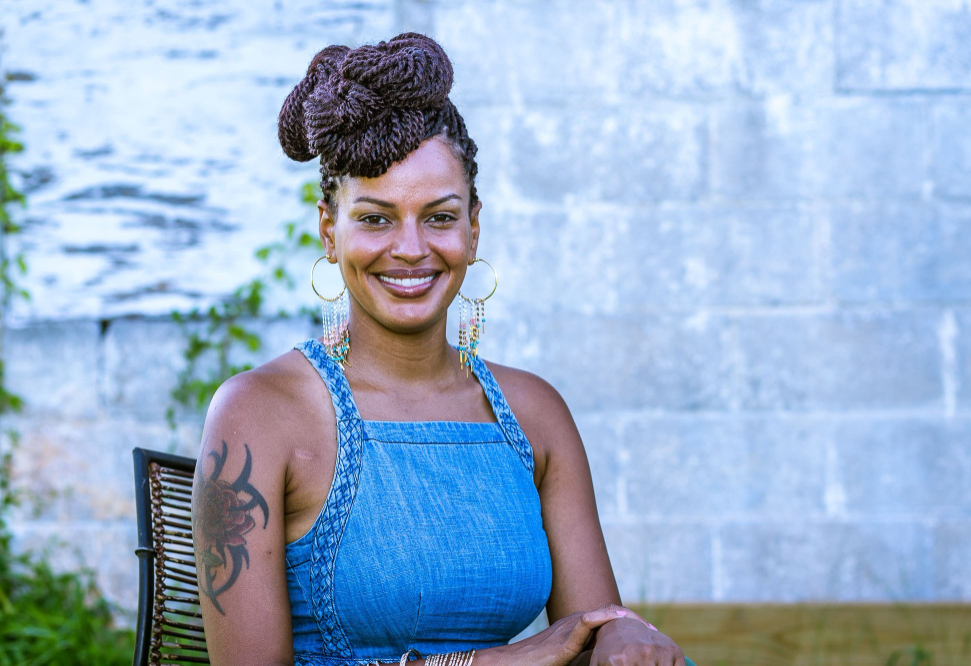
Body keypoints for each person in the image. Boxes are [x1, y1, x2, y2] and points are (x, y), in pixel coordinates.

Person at [191, 32, 694, 666]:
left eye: (439, 216)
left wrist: (622, 635)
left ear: (473, 228)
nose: (410, 248)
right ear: (329, 230)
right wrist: (492, 663)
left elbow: (591, 632)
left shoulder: (533, 414)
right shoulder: (259, 413)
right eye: (375, 218)